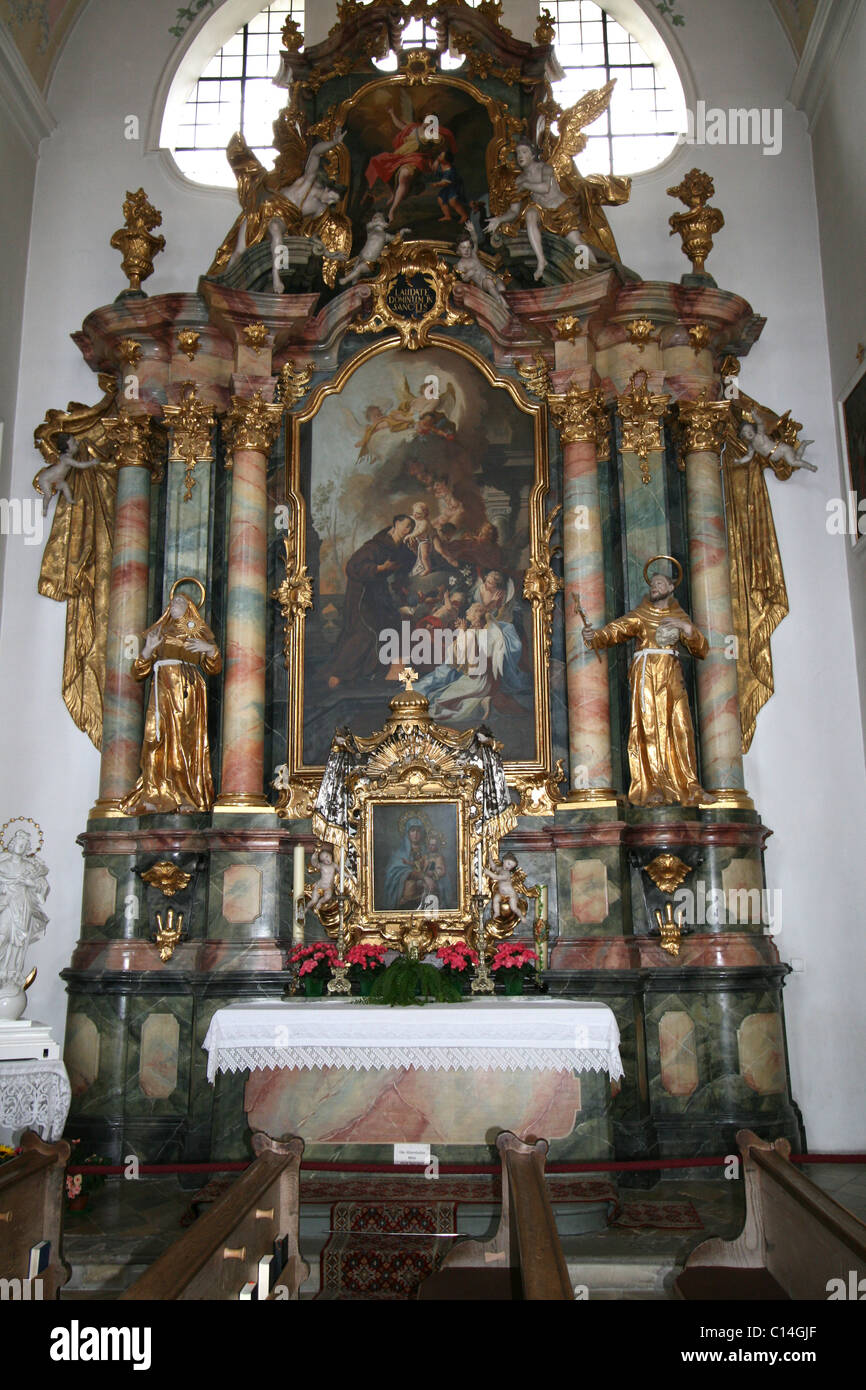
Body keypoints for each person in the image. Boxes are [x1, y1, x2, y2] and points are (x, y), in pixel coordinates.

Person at [582, 567, 711, 806]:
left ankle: (690, 786)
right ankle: (653, 786)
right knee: (649, 729)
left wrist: (687, 629)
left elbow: (701, 649)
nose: (655, 587)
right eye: (653, 584)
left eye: (661, 583)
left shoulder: (679, 616)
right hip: (647, 676)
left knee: (681, 728)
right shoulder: (640, 614)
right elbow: (615, 630)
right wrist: (594, 636)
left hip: (672, 677)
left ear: (671, 588)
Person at [120, 590, 222, 815]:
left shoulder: (198, 632)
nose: (175, 604)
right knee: (155, 738)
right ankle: (154, 793)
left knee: (185, 741)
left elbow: (214, 667)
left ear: (189, 607)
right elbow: (138, 671)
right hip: (161, 689)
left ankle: (187, 795)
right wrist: (148, 648)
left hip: (188, 690)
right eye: (173, 601)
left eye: (181, 602)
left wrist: (209, 649)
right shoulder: (159, 632)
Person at [328, 515, 415, 688]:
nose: (408, 530)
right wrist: (380, 568)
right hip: (362, 595)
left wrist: (413, 550)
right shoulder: (375, 546)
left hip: (378, 593)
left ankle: (383, 672)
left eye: (411, 528)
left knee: (391, 626)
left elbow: (406, 562)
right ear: (396, 524)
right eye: (406, 526)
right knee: (366, 632)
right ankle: (339, 675)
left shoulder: (398, 547)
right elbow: (353, 567)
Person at [0, 829, 49, 985]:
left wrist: (30, 883)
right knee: (2, 936)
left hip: (23, 906)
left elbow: (41, 888)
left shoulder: (30, 867)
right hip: (7, 905)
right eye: (18, 844)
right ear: (12, 845)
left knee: (19, 942)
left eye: (24, 845)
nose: (20, 847)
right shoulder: (3, 865)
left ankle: (11, 973)